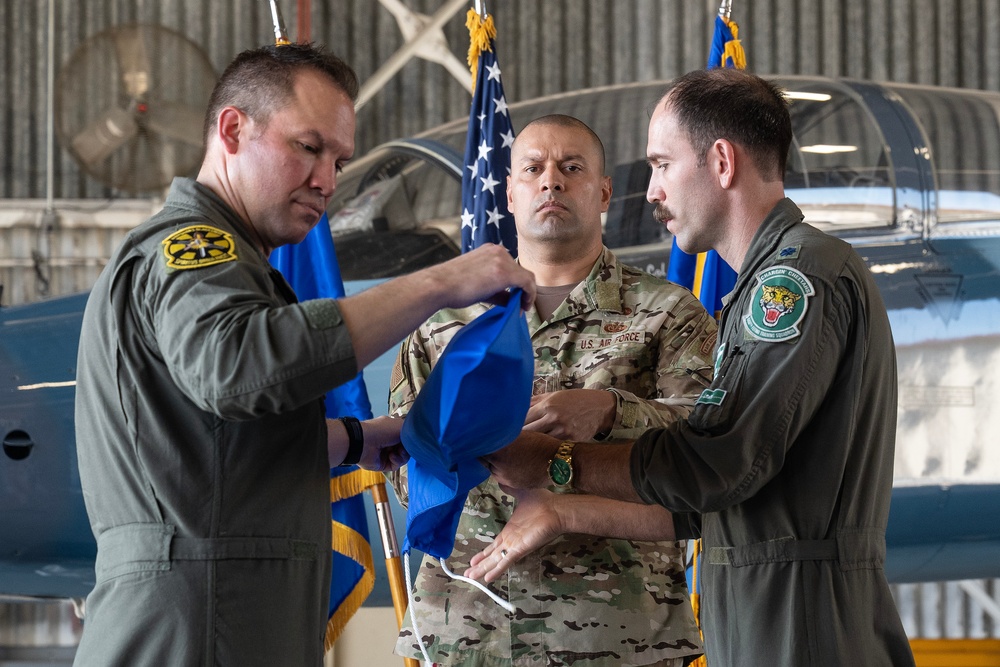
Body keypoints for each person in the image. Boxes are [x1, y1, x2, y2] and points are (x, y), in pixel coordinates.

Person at [72, 43, 535, 667]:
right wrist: (440, 283)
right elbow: (238, 368)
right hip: (203, 628)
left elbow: (210, 448)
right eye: (308, 147)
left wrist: (356, 439)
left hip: (219, 618)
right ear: (232, 131)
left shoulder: (233, 265)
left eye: (338, 160)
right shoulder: (194, 249)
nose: (327, 181)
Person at [467, 69, 916, 666]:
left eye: (661, 165)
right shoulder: (762, 284)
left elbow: (719, 463)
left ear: (722, 163)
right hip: (766, 611)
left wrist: (558, 461)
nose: (652, 191)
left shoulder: (794, 280)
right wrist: (562, 505)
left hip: (801, 624)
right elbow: (707, 499)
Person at [388, 114, 718, 666]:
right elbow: (403, 471)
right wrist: (475, 445)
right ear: (509, 192)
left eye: (571, 168)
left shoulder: (668, 312)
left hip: (620, 634)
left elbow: (705, 450)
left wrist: (612, 411)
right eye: (533, 169)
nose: (551, 181)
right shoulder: (443, 321)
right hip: (467, 629)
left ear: (604, 192)